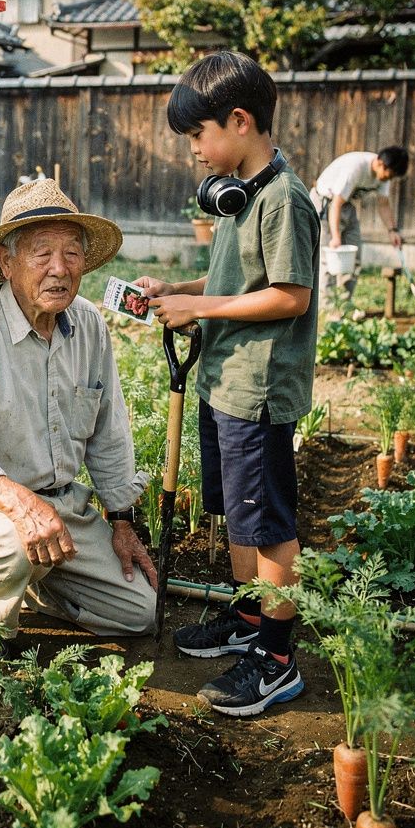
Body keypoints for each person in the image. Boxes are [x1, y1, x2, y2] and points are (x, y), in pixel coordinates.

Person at [135, 51, 319, 718]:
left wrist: (201, 307)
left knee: (267, 526)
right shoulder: (238, 196)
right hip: (224, 382)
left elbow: (290, 295)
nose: (193, 150)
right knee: (239, 516)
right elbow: (233, 282)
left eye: (198, 134)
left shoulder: (284, 200)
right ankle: (247, 621)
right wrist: (176, 290)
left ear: (239, 121)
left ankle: (277, 659)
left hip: (258, 390)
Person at [0, 178, 157, 665]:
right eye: (42, 254)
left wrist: (122, 520)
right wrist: (20, 504)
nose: (59, 269)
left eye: (71, 254)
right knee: (9, 544)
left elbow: (108, 433)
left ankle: (22, 579)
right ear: (6, 263)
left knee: (140, 613)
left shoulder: (89, 325)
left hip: (58, 505)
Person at [309, 146, 408, 303]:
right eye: (390, 175)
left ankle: (344, 304)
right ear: (381, 164)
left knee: (353, 255)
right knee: (330, 257)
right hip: (324, 202)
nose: (389, 179)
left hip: (346, 205)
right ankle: (327, 307)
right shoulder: (355, 168)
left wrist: (392, 230)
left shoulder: (383, 176)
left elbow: (383, 204)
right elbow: (335, 204)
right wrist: (336, 237)